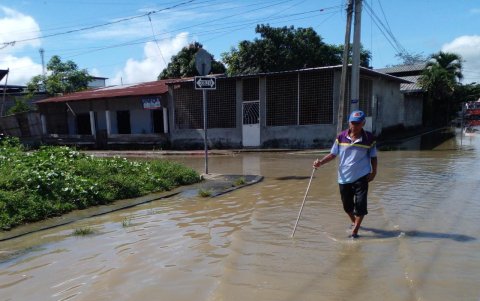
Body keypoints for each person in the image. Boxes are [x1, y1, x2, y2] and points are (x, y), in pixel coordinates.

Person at [313, 110, 377, 239]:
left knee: (360, 204)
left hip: (361, 176)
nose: (355, 126)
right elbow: (333, 154)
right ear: (349, 122)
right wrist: (320, 162)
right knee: (347, 206)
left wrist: (373, 172)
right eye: (353, 123)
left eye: (358, 123)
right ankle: (354, 222)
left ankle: (355, 231)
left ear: (363, 123)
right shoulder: (341, 137)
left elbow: (373, 157)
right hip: (344, 177)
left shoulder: (369, 138)